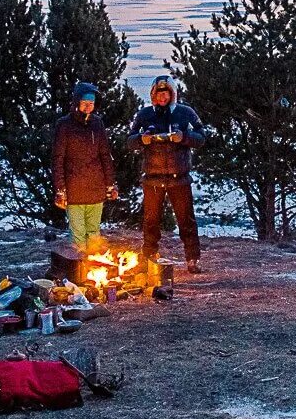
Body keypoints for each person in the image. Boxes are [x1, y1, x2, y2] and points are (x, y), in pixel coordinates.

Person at [129, 74, 207, 272]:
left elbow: (201, 137)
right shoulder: (145, 115)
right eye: (159, 94)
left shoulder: (185, 112)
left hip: (179, 178)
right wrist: (141, 140)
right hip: (152, 178)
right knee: (150, 222)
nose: (162, 97)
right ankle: (149, 257)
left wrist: (184, 137)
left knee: (186, 220)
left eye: (166, 93)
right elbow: (129, 140)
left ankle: (192, 259)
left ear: (172, 94)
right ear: (153, 95)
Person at [51, 81, 119, 254]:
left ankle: (93, 267)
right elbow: (58, 158)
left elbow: (105, 156)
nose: (88, 106)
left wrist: (110, 184)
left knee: (94, 233)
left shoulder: (97, 124)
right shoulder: (64, 124)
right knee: (78, 234)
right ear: (76, 102)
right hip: (74, 189)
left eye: (92, 103)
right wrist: (60, 188)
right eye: (85, 103)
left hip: (96, 187)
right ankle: (78, 268)